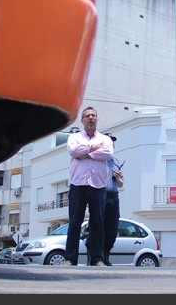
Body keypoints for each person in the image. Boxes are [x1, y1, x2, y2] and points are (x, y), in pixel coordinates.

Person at [64, 106, 113, 266]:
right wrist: (93, 148)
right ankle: (70, 258)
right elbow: (73, 151)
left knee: (97, 223)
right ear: (82, 120)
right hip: (78, 184)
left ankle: (97, 258)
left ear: (97, 119)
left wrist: (85, 154)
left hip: (98, 185)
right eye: (87, 116)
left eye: (93, 116)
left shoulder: (105, 139)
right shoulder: (75, 137)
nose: (91, 118)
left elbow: (108, 153)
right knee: (74, 222)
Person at [101, 133, 124, 266]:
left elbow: (121, 184)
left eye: (113, 144)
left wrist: (117, 177)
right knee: (99, 227)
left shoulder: (116, 162)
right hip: (101, 195)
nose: (112, 145)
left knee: (112, 228)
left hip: (114, 197)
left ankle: (106, 255)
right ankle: (97, 256)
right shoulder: (98, 160)